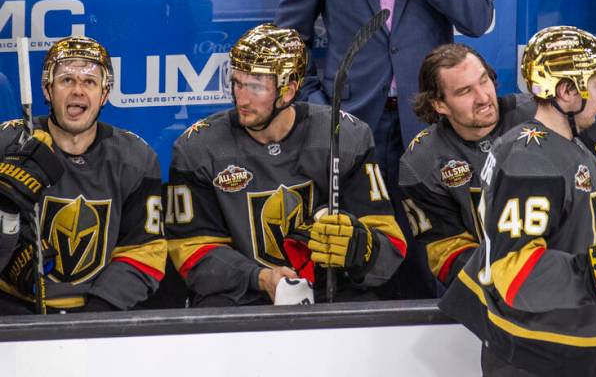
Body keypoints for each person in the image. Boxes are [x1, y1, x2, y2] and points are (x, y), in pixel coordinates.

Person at [276, 0, 492, 296]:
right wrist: (317, 99)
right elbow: (289, 37)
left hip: (428, 124)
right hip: (351, 124)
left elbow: (477, 16)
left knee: (426, 252)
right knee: (359, 251)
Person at [440, 26, 596, 377]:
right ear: (565, 91)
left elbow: (577, 240)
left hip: (564, 347)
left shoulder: (570, 145)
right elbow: (518, 274)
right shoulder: (530, 161)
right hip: (534, 354)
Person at [165, 24, 405, 306]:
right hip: (243, 301)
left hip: (332, 298)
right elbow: (193, 254)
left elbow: (391, 249)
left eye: (255, 86)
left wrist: (358, 246)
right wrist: (260, 278)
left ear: (289, 90)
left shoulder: (346, 137)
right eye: (236, 82)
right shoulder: (199, 148)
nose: (241, 98)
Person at [399, 42, 596, 288]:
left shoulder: (547, 114)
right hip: (499, 297)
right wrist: (508, 282)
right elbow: (447, 252)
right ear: (439, 104)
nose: (483, 97)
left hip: (583, 281)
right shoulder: (421, 163)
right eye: (465, 91)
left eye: (484, 81)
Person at [0, 36, 166, 313]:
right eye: (66, 80)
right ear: (46, 89)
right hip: (12, 307)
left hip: (99, 311)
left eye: (89, 82)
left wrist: (97, 315)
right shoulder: (7, 144)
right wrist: (5, 209)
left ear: (104, 94)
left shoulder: (136, 158)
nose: (77, 91)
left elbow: (144, 252)